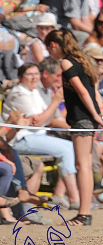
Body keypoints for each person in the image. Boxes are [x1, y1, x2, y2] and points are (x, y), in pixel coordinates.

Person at [44, 28, 103, 226]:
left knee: (82, 165)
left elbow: (83, 92)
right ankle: (86, 212)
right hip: (87, 118)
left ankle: (83, 213)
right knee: (86, 166)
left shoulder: (65, 62)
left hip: (81, 117)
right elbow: (94, 89)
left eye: (49, 48)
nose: (50, 53)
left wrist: (96, 115)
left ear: (54, 45)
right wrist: (101, 114)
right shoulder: (84, 60)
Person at [1, 63, 79, 206]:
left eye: (36, 74)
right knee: (67, 148)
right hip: (20, 138)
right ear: (20, 77)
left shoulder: (37, 91)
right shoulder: (18, 93)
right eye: (29, 74)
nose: (34, 77)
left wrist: (70, 126)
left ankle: (61, 195)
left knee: (72, 146)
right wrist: (55, 102)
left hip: (38, 136)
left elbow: (48, 119)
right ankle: (74, 199)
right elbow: (38, 122)